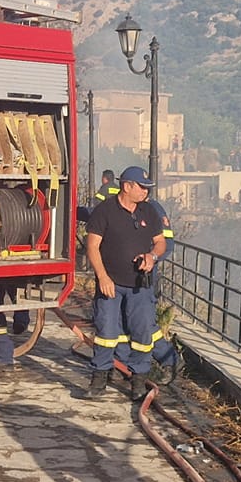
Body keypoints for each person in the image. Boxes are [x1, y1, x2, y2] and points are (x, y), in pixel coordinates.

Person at [80, 165, 167, 397]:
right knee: (106, 331)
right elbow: (92, 246)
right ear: (127, 186)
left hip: (140, 285)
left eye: (148, 188)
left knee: (142, 333)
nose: (146, 192)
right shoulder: (104, 211)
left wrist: (152, 256)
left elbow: (160, 242)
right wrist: (103, 277)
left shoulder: (149, 212)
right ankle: (99, 380)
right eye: (142, 187)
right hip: (111, 284)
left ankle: (138, 381)